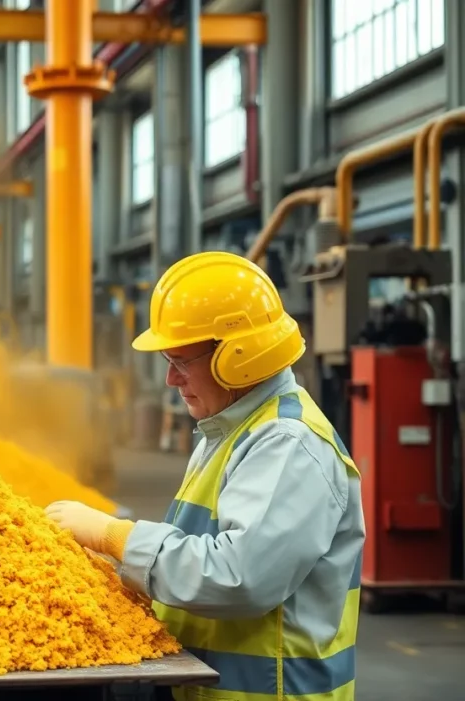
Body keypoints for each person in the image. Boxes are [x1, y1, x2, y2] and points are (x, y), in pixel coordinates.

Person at [46, 251, 365, 701]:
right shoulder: (229, 431)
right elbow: (198, 551)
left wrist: (113, 536)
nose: (171, 382)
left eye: (180, 361)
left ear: (237, 357)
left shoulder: (287, 444)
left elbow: (240, 577)